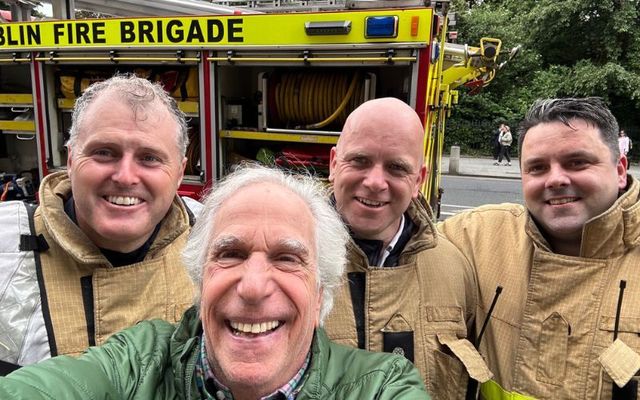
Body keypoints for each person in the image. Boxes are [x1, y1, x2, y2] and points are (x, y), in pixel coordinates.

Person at [0, 164, 429, 400]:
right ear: (200, 279)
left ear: (320, 296)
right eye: (230, 254)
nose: (254, 286)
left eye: (287, 258)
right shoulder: (139, 363)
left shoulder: (380, 387)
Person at [439, 97, 639, 399]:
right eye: (537, 167)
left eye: (577, 162)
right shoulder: (475, 237)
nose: (556, 179)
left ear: (620, 170)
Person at [0, 74, 198, 374]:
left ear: (180, 173)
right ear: (70, 159)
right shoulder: (6, 249)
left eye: (149, 158)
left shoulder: (212, 236)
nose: (125, 176)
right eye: (104, 152)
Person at [325, 97, 489, 399]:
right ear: (334, 164)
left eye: (396, 168)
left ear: (418, 181)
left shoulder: (455, 269)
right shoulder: (289, 260)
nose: (375, 182)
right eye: (359, 160)